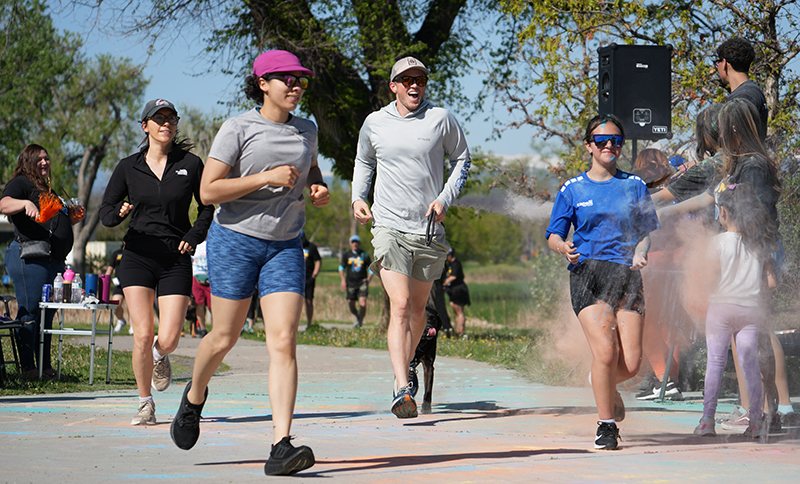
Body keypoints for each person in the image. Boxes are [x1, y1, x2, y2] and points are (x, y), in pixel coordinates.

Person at [169, 50, 329, 477]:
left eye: (300, 80)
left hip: (285, 245)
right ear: (263, 83)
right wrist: (264, 177)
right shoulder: (238, 128)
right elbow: (208, 192)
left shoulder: (307, 131)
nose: (295, 86)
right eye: (286, 79)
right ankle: (194, 397)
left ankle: (280, 445)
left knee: (283, 340)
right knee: (224, 336)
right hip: (235, 241)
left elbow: (311, 171)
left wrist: (317, 187)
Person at [352, 56, 471, 419]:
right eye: (406, 80)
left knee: (419, 311)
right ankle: (402, 385)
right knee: (401, 305)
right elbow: (364, 161)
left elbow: (462, 160)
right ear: (394, 87)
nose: (414, 85)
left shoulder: (441, 119)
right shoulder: (375, 123)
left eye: (419, 79)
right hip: (388, 226)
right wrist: (358, 196)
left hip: (429, 230)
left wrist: (445, 198)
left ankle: (407, 366)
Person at [545, 114, 659, 450]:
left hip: (627, 276)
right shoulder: (573, 189)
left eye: (616, 141)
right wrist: (562, 247)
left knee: (633, 363)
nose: (609, 145)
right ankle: (606, 425)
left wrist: (641, 251)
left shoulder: (635, 186)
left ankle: (600, 382)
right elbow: (553, 235)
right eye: (602, 141)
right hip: (588, 275)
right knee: (607, 352)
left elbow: (646, 235)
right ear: (589, 146)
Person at [100, 99, 214, 425]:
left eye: (171, 118)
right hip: (137, 255)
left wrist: (194, 236)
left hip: (175, 257)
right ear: (145, 125)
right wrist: (118, 212)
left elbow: (207, 206)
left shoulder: (190, 164)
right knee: (141, 332)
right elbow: (106, 211)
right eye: (159, 118)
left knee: (170, 336)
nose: (166, 123)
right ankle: (144, 403)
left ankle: (160, 355)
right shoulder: (128, 167)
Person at [693, 183, 776, 438]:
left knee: (715, 363)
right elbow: (772, 283)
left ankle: (707, 420)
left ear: (724, 212)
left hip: (721, 309)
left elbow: (706, 277)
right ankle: (755, 422)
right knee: (750, 364)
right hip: (750, 311)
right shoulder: (760, 245)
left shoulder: (717, 243)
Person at [1, 144, 82, 378]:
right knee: (31, 312)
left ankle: (45, 368)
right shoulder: (22, 183)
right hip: (29, 257)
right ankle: (28, 369)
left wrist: (72, 219)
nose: (45, 162)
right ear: (27, 162)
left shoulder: (46, 188)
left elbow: (50, 221)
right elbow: (3, 204)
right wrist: (25, 203)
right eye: (39, 159)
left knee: (48, 315)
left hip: (52, 260)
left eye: (46, 158)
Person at [715, 37, 768, 141]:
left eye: (717, 63)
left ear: (725, 63)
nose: (717, 67)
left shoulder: (743, 97)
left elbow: (737, 140)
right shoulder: (751, 92)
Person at [339, 235, 372, 328]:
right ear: (350, 243)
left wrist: (369, 278)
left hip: (362, 282)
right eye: (353, 242)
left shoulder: (364, 254)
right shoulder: (347, 255)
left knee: (363, 303)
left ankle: (360, 323)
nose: (355, 244)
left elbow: (371, 268)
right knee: (351, 305)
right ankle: (357, 316)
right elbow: (341, 267)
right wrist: (343, 280)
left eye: (356, 242)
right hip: (350, 283)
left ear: (359, 243)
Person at [443, 249, 470, 337]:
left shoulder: (456, 263)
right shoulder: (450, 264)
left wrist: (443, 283)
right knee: (456, 311)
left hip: (459, 290)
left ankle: (461, 332)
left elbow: (453, 277)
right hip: (453, 290)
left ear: (450, 254)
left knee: (459, 312)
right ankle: (458, 331)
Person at [107, 245, 130, 334]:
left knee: (132, 306)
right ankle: (121, 320)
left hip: (131, 283)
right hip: (119, 284)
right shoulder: (117, 253)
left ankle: (133, 327)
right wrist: (105, 279)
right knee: (116, 304)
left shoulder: (135, 254)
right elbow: (110, 268)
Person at [301, 230, 321, 328]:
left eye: (301, 238)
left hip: (309, 278)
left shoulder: (311, 247)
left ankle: (309, 323)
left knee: (309, 301)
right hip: (297, 278)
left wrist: (314, 275)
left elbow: (318, 261)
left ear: (304, 237)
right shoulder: (294, 246)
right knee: (295, 302)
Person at [191, 240, 210, 337]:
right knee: (199, 304)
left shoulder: (213, 242)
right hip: (197, 278)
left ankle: (216, 329)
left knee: (213, 306)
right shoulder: (195, 244)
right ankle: (202, 328)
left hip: (210, 279)